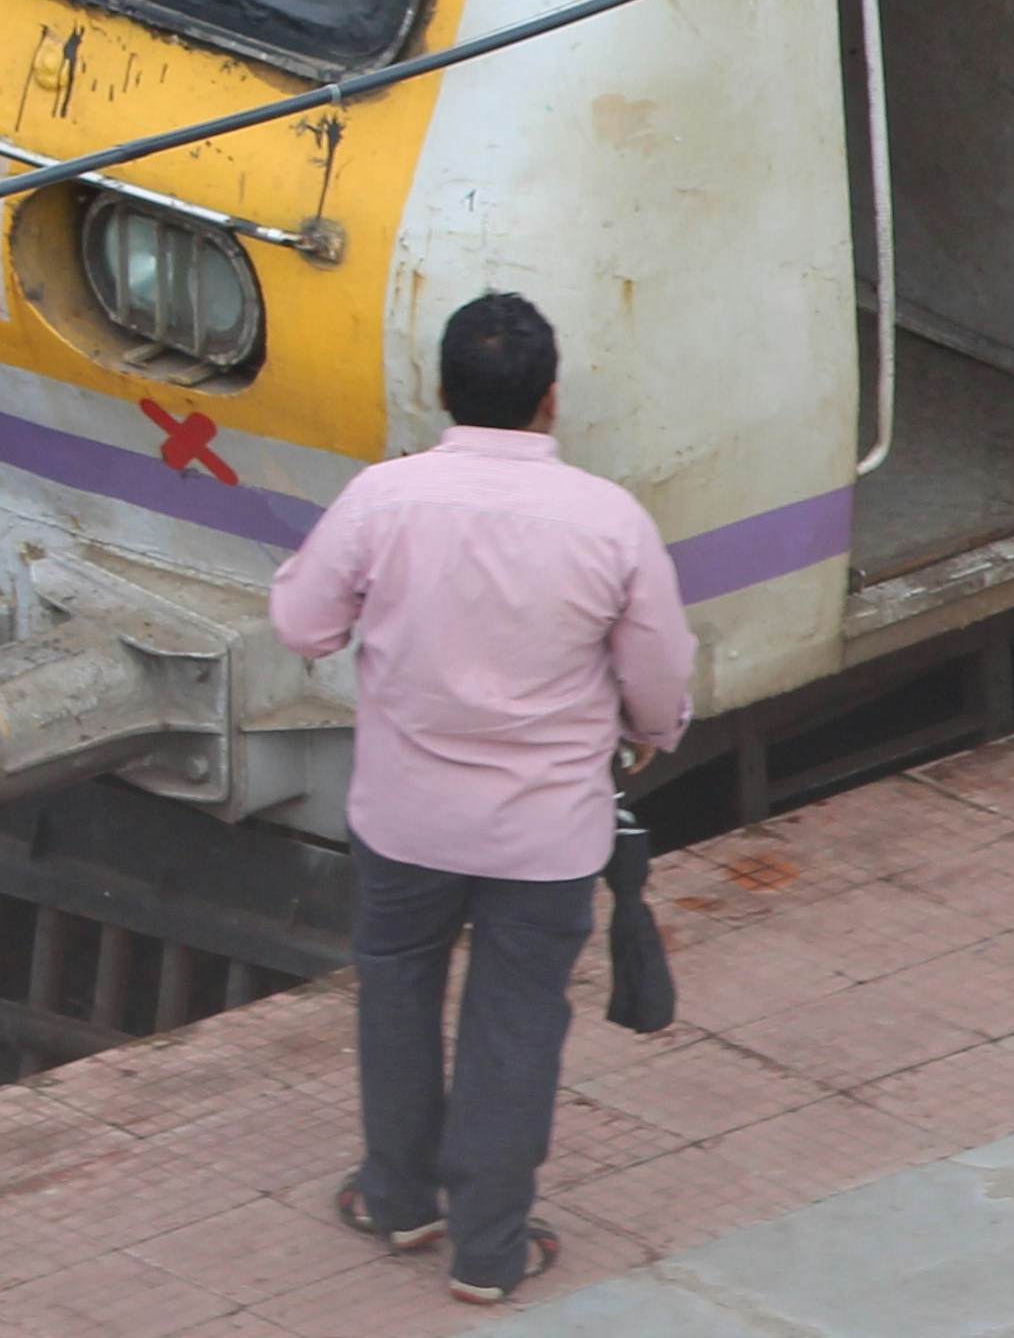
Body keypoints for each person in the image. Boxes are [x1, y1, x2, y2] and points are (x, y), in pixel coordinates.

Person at [267, 292, 691, 1306]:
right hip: (548, 834)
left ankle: (399, 1201)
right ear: (550, 400)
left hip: (406, 820)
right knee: (515, 1023)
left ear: (442, 391)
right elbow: (659, 685)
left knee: (399, 993)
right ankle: (489, 1252)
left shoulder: (383, 498)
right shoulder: (610, 523)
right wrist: (649, 732)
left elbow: (302, 624)